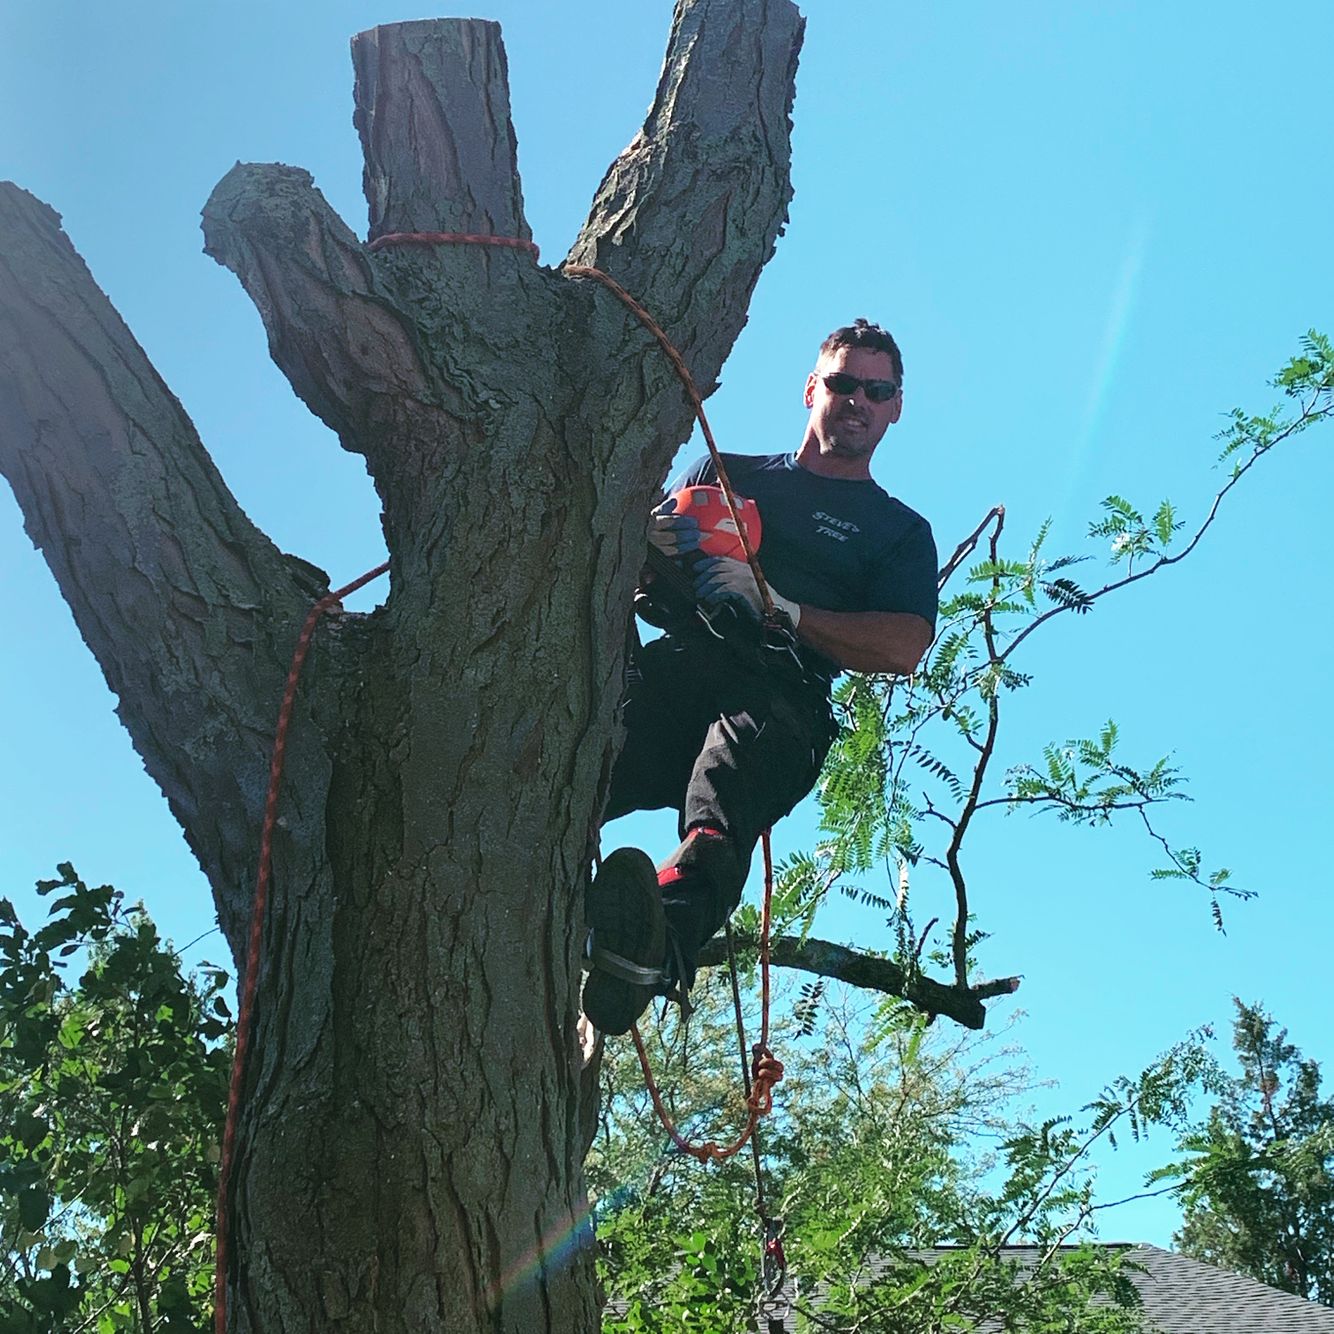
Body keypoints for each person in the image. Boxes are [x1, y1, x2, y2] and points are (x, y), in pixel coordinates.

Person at [582, 319, 938, 1035]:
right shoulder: (727, 471)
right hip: (682, 663)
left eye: (877, 389)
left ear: (896, 406)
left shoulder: (896, 530)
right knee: (580, 770)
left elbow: (904, 644)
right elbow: (641, 574)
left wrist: (782, 607)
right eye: (842, 383)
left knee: (724, 796)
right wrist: (647, 553)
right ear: (813, 388)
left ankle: (652, 946)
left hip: (783, 694)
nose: (857, 400)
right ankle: (545, 900)